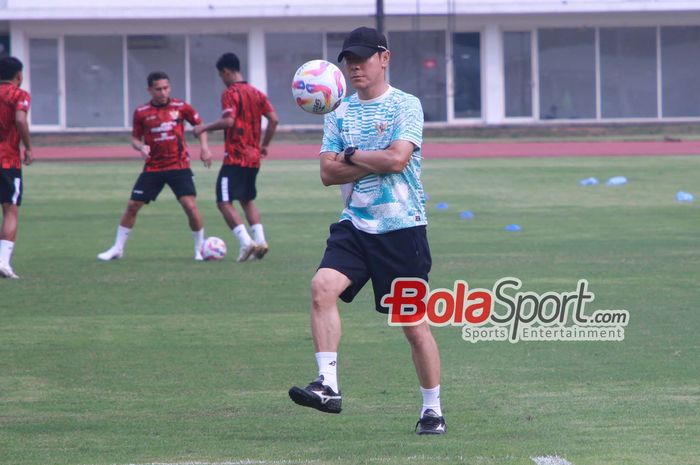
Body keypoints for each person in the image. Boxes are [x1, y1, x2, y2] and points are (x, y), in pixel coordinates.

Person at [287, 27, 446, 434]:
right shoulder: (338, 112)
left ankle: (432, 407)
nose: (354, 66)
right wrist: (370, 158)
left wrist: (354, 154)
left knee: (413, 327)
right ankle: (328, 385)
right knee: (322, 286)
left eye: (362, 57)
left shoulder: (405, 106)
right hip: (355, 224)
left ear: (384, 58)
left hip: (402, 229)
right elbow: (327, 172)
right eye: (348, 60)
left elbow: (397, 160)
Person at [98, 71, 212, 261]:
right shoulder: (141, 112)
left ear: (170, 87)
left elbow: (200, 126)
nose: (162, 92)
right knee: (133, 205)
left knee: (190, 206)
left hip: (179, 165)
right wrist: (141, 146)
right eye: (158, 89)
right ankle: (117, 248)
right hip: (154, 167)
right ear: (150, 90)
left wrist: (205, 148)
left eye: (166, 88)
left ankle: (200, 249)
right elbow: (134, 138)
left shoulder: (181, 107)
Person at [193, 53, 278, 262]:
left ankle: (246, 242)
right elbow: (274, 119)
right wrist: (264, 145)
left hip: (235, 157)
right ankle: (261, 240)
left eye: (221, 75)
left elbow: (229, 121)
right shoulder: (257, 93)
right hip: (253, 158)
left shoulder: (230, 93)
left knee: (223, 201)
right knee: (247, 199)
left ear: (226, 72)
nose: (222, 79)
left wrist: (205, 127)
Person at [0, 57, 32, 279]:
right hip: (7, 161)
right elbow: (20, 120)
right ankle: (2, 262)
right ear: (19, 75)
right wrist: (28, 147)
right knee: (10, 209)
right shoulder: (19, 95)